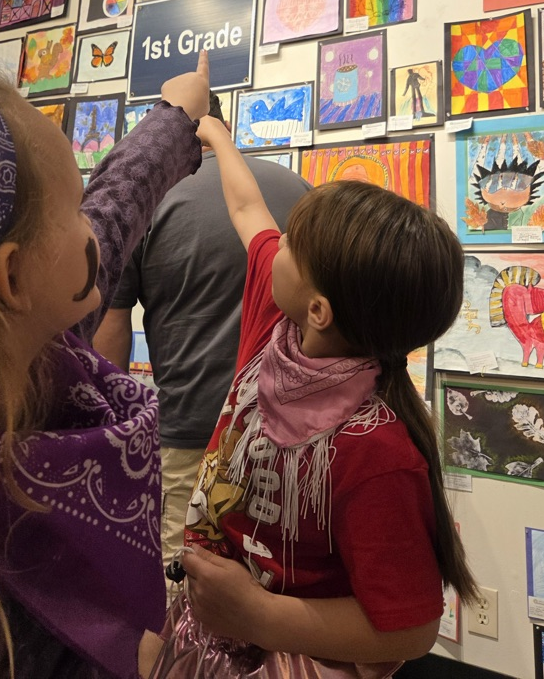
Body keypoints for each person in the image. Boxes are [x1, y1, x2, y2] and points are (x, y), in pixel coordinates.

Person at [0, 50, 210, 679]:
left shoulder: (8, 339)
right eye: (73, 207)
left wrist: (176, 115)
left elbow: (119, 200)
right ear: (15, 274)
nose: (92, 224)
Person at [145, 114, 477, 679]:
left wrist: (259, 615)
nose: (275, 244)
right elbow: (248, 210)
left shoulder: (376, 453)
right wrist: (217, 136)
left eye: (291, 243)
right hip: (206, 638)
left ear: (319, 310)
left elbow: (413, 628)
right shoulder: (277, 323)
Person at [93, 93, 310, 574]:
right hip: (297, 432)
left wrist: (110, 432)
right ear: (224, 126)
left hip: (191, 433)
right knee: (281, 575)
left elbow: (111, 327)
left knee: (188, 582)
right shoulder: (297, 186)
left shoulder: (149, 202)